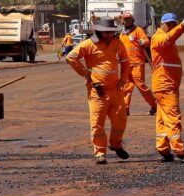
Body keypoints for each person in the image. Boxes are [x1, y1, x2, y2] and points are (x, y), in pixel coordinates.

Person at [66, 18, 131, 164]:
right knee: (97, 123)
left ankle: (116, 144)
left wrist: (123, 80)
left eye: (111, 32)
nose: (108, 35)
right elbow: (71, 57)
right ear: (99, 31)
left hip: (116, 89)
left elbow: (125, 62)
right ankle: (100, 152)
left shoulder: (117, 43)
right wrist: (85, 74)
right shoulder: (89, 44)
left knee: (120, 121)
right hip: (97, 92)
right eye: (105, 32)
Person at [150, 12, 184, 161]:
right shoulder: (159, 38)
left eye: (173, 24)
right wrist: (182, 26)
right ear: (161, 24)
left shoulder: (167, 42)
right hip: (165, 85)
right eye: (168, 24)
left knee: (162, 119)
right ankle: (179, 150)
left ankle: (163, 148)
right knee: (173, 117)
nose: (170, 27)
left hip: (165, 85)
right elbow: (168, 38)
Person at [119, 10, 157, 116]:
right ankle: (125, 108)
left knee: (140, 85)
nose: (127, 21)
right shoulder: (122, 33)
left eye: (129, 19)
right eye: (125, 19)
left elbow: (147, 42)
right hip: (125, 64)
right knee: (126, 86)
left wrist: (143, 42)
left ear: (132, 20)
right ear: (122, 21)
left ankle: (154, 105)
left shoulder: (138, 30)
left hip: (137, 63)